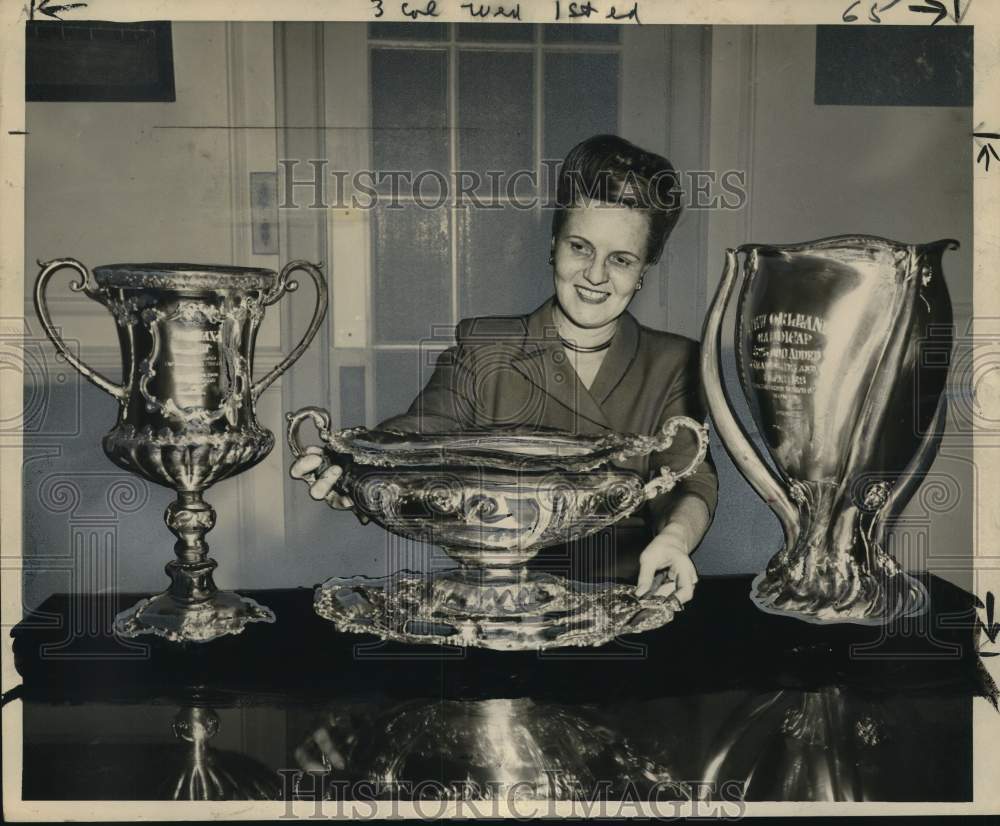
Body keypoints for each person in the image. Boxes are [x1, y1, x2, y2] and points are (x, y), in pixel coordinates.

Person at [291, 134, 718, 603]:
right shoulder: (484, 347)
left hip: (621, 599)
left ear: (643, 271)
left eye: (621, 259)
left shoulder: (676, 361)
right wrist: (347, 466)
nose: (596, 275)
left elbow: (690, 477)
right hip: (494, 606)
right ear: (553, 246)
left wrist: (675, 539)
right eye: (580, 247)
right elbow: (414, 437)